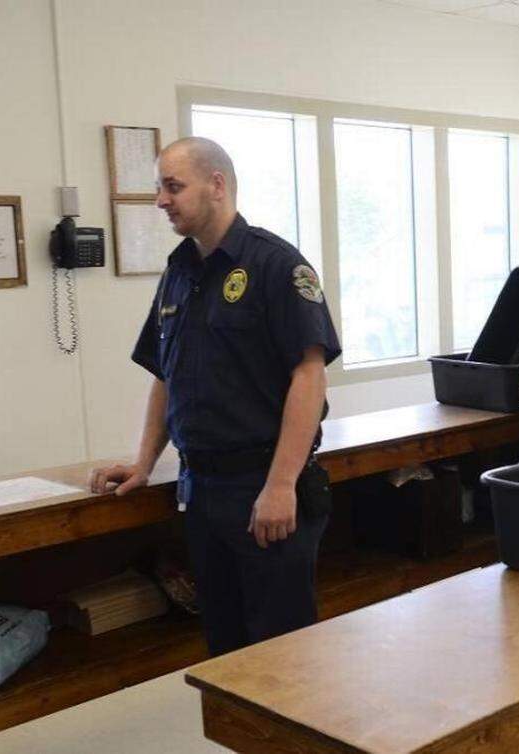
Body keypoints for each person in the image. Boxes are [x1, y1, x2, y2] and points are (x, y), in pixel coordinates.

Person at [89, 137, 341, 655]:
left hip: (263, 486)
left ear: (217, 186)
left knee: (282, 652)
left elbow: (309, 376)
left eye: (172, 186)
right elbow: (166, 372)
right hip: (200, 488)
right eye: (160, 186)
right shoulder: (179, 271)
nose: (161, 200)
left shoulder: (275, 265)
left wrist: (280, 485)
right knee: (226, 649)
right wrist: (143, 462)